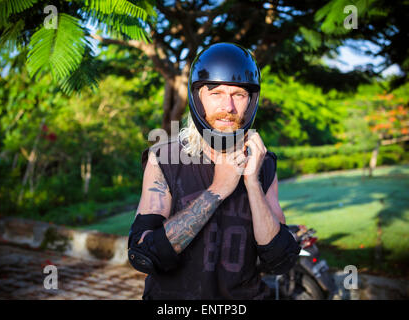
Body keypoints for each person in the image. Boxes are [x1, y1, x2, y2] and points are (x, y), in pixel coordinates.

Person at [128, 43, 300, 300]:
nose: (228, 107)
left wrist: (252, 183)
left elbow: (278, 260)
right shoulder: (164, 159)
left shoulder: (263, 164)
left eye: (238, 95)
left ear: (251, 101)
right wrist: (219, 188)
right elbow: (143, 255)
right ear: (198, 98)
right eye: (216, 93)